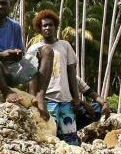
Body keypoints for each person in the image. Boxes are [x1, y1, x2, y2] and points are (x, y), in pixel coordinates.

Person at [25, 10, 81, 144]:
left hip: (65, 100)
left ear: (55, 27)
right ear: (39, 28)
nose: (47, 28)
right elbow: (31, 76)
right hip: (47, 101)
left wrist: (76, 97)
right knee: (49, 139)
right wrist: (33, 100)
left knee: (71, 140)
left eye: (50, 25)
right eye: (44, 25)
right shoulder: (34, 49)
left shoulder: (65, 46)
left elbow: (71, 73)